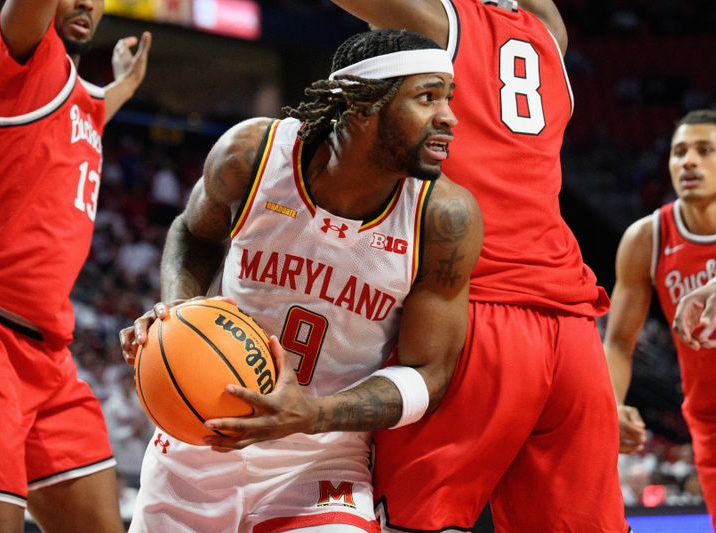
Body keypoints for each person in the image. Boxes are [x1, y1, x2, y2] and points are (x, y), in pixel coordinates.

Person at [119, 28, 482, 532]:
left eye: (448, 98)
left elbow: (430, 373)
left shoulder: (443, 218)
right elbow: (191, 231)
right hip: (199, 436)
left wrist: (311, 415)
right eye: (427, 97)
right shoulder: (253, 155)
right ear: (363, 106)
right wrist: (174, 316)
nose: (449, 117)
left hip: (319, 458)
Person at [328, 1, 629, 531]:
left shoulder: (443, 22)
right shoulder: (548, 36)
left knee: (419, 521)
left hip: (473, 312)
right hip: (573, 328)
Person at [0, 0, 151, 531]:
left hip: (49, 359)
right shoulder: (18, 67)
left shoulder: (79, 102)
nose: (84, 3)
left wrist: (125, 82)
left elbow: (93, 109)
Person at [604, 109, 716, 533]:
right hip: (710, 423)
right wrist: (613, 406)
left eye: (704, 150)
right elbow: (620, 344)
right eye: (679, 152)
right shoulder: (648, 238)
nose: (689, 161)